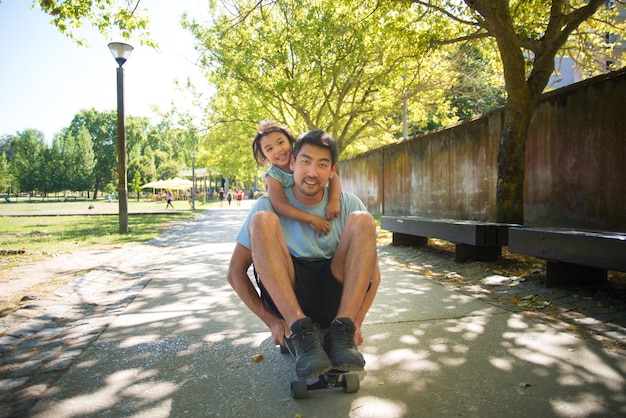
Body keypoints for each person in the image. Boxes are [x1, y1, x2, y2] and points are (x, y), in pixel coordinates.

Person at [227, 129, 380, 380]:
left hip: (336, 295)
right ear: (292, 162)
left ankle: (341, 331)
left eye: (322, 164)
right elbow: (235, 273)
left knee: (363, 220)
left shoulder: (348, 203)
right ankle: (301, 332)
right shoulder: (268, 204)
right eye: (306, 161)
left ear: (332, 170)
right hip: (291, 298)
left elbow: (374, 275)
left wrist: (358, 320)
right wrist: (273, 322)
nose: (312, 172)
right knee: (262, 220)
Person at [252, 121, 342, 236]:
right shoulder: (273, 177)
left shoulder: (303, 160)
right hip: (291, 220)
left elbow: (333, 177)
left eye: (280, 142)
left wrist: (333, 201)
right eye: (269, 149)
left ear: (290, 142)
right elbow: (280, 206)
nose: (278, 150)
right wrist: (311, 219)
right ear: (265, 156)